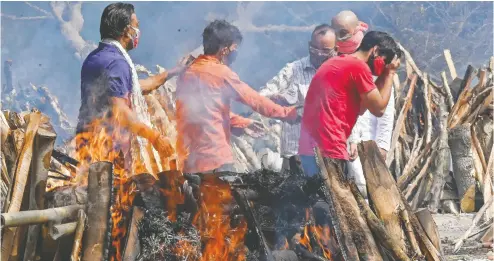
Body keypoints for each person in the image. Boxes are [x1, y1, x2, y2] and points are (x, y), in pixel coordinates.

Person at [176, 20, 299, 174]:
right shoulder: (222, 73)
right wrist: (287, 113)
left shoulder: (187, 73)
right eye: (235, 48)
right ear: (225, 50)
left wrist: (241, 123)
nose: (236, 53)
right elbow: (254, 100)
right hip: (216, 161)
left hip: (190, 164)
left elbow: (204, 111)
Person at [76, 3, 183, 174]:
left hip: (89, 146)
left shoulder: (97, 57)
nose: (138, 30)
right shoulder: (117, 63)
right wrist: (155, 138)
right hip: (108, 153)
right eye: (136, 26)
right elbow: (121, 111)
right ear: (127, 30)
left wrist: (172, 72)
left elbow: (138, 87)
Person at [298, 31, 401, 177]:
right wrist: (389, 73)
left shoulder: (338, 62)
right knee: (330, 198)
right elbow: (379, 109)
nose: (383, 67)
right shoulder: (358, 68)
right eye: (384, 61)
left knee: (314, 197)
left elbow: (362, 108)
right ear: (375, 50)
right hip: (329, 149)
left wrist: (382, 74)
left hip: (309, 148)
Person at [259, 24, 337, 172]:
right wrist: (274, 100)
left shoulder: (340, 72)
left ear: (335, 50)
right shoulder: (293, 70)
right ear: (309, 46)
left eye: (325, 51)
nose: (319, 54)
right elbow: (263, 95)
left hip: (330, 152)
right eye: (315, 49)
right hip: (296, 153)